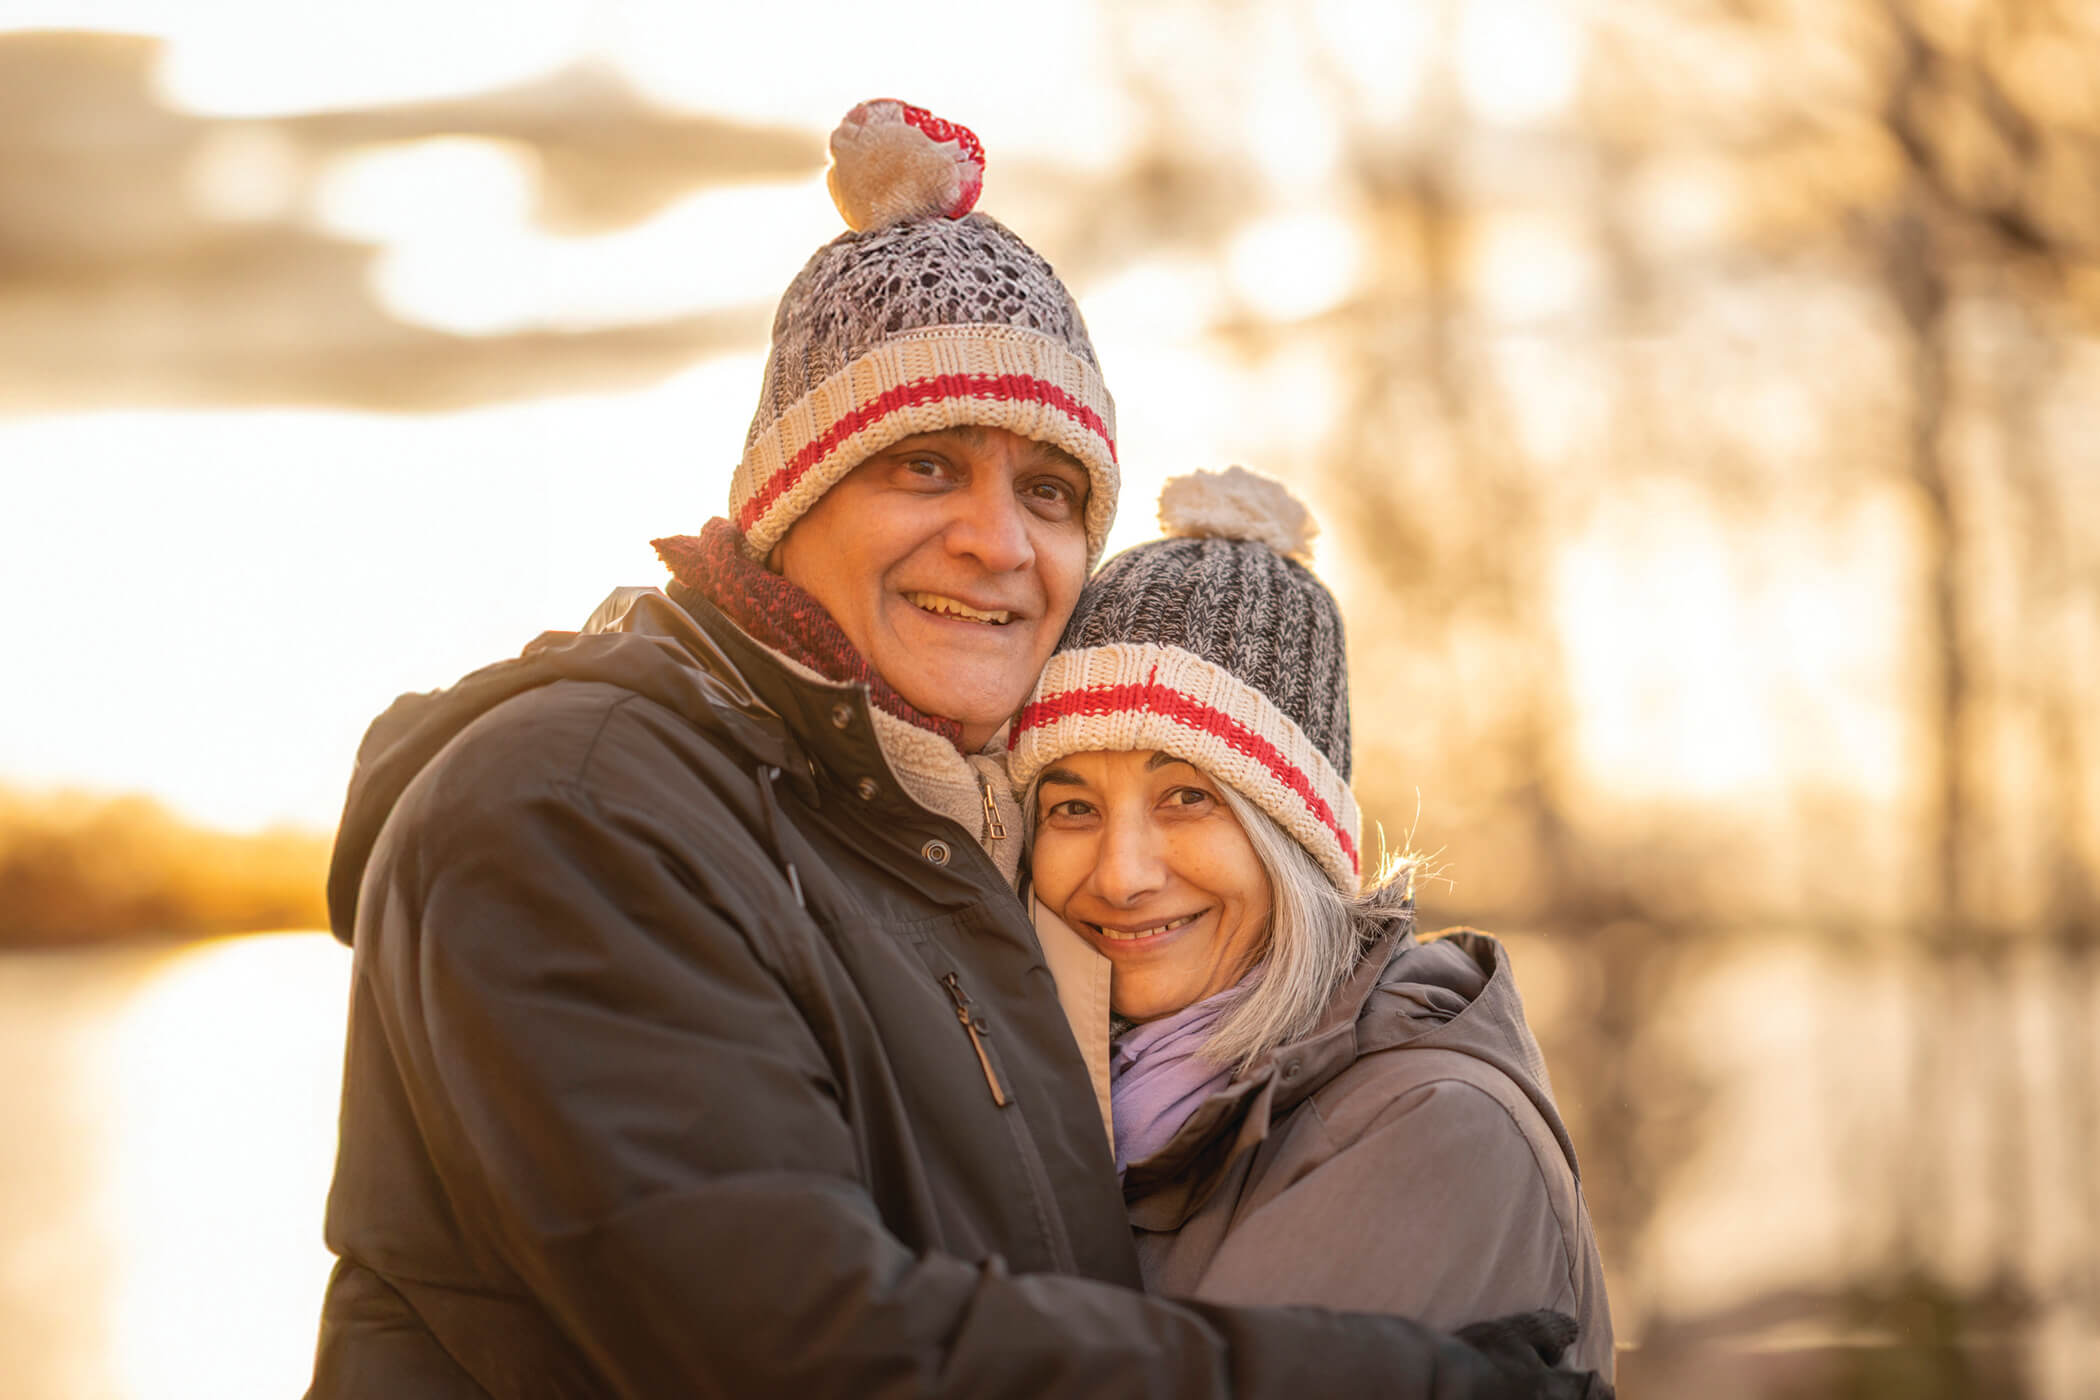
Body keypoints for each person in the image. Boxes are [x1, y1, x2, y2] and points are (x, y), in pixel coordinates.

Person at [309, 100, 1610, 1397]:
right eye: (926, 466)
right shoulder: (578, 807)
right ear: (787, 503)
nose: (999, 542)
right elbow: (806, 1355)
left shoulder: (919, 839)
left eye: (1048, 491)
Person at [1010, 467, 1614, 1380]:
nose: (1121, 875)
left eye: (1187, 797)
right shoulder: (1086, 1105)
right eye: (1071, 807)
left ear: (1294, 844)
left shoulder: (1428, 1130)